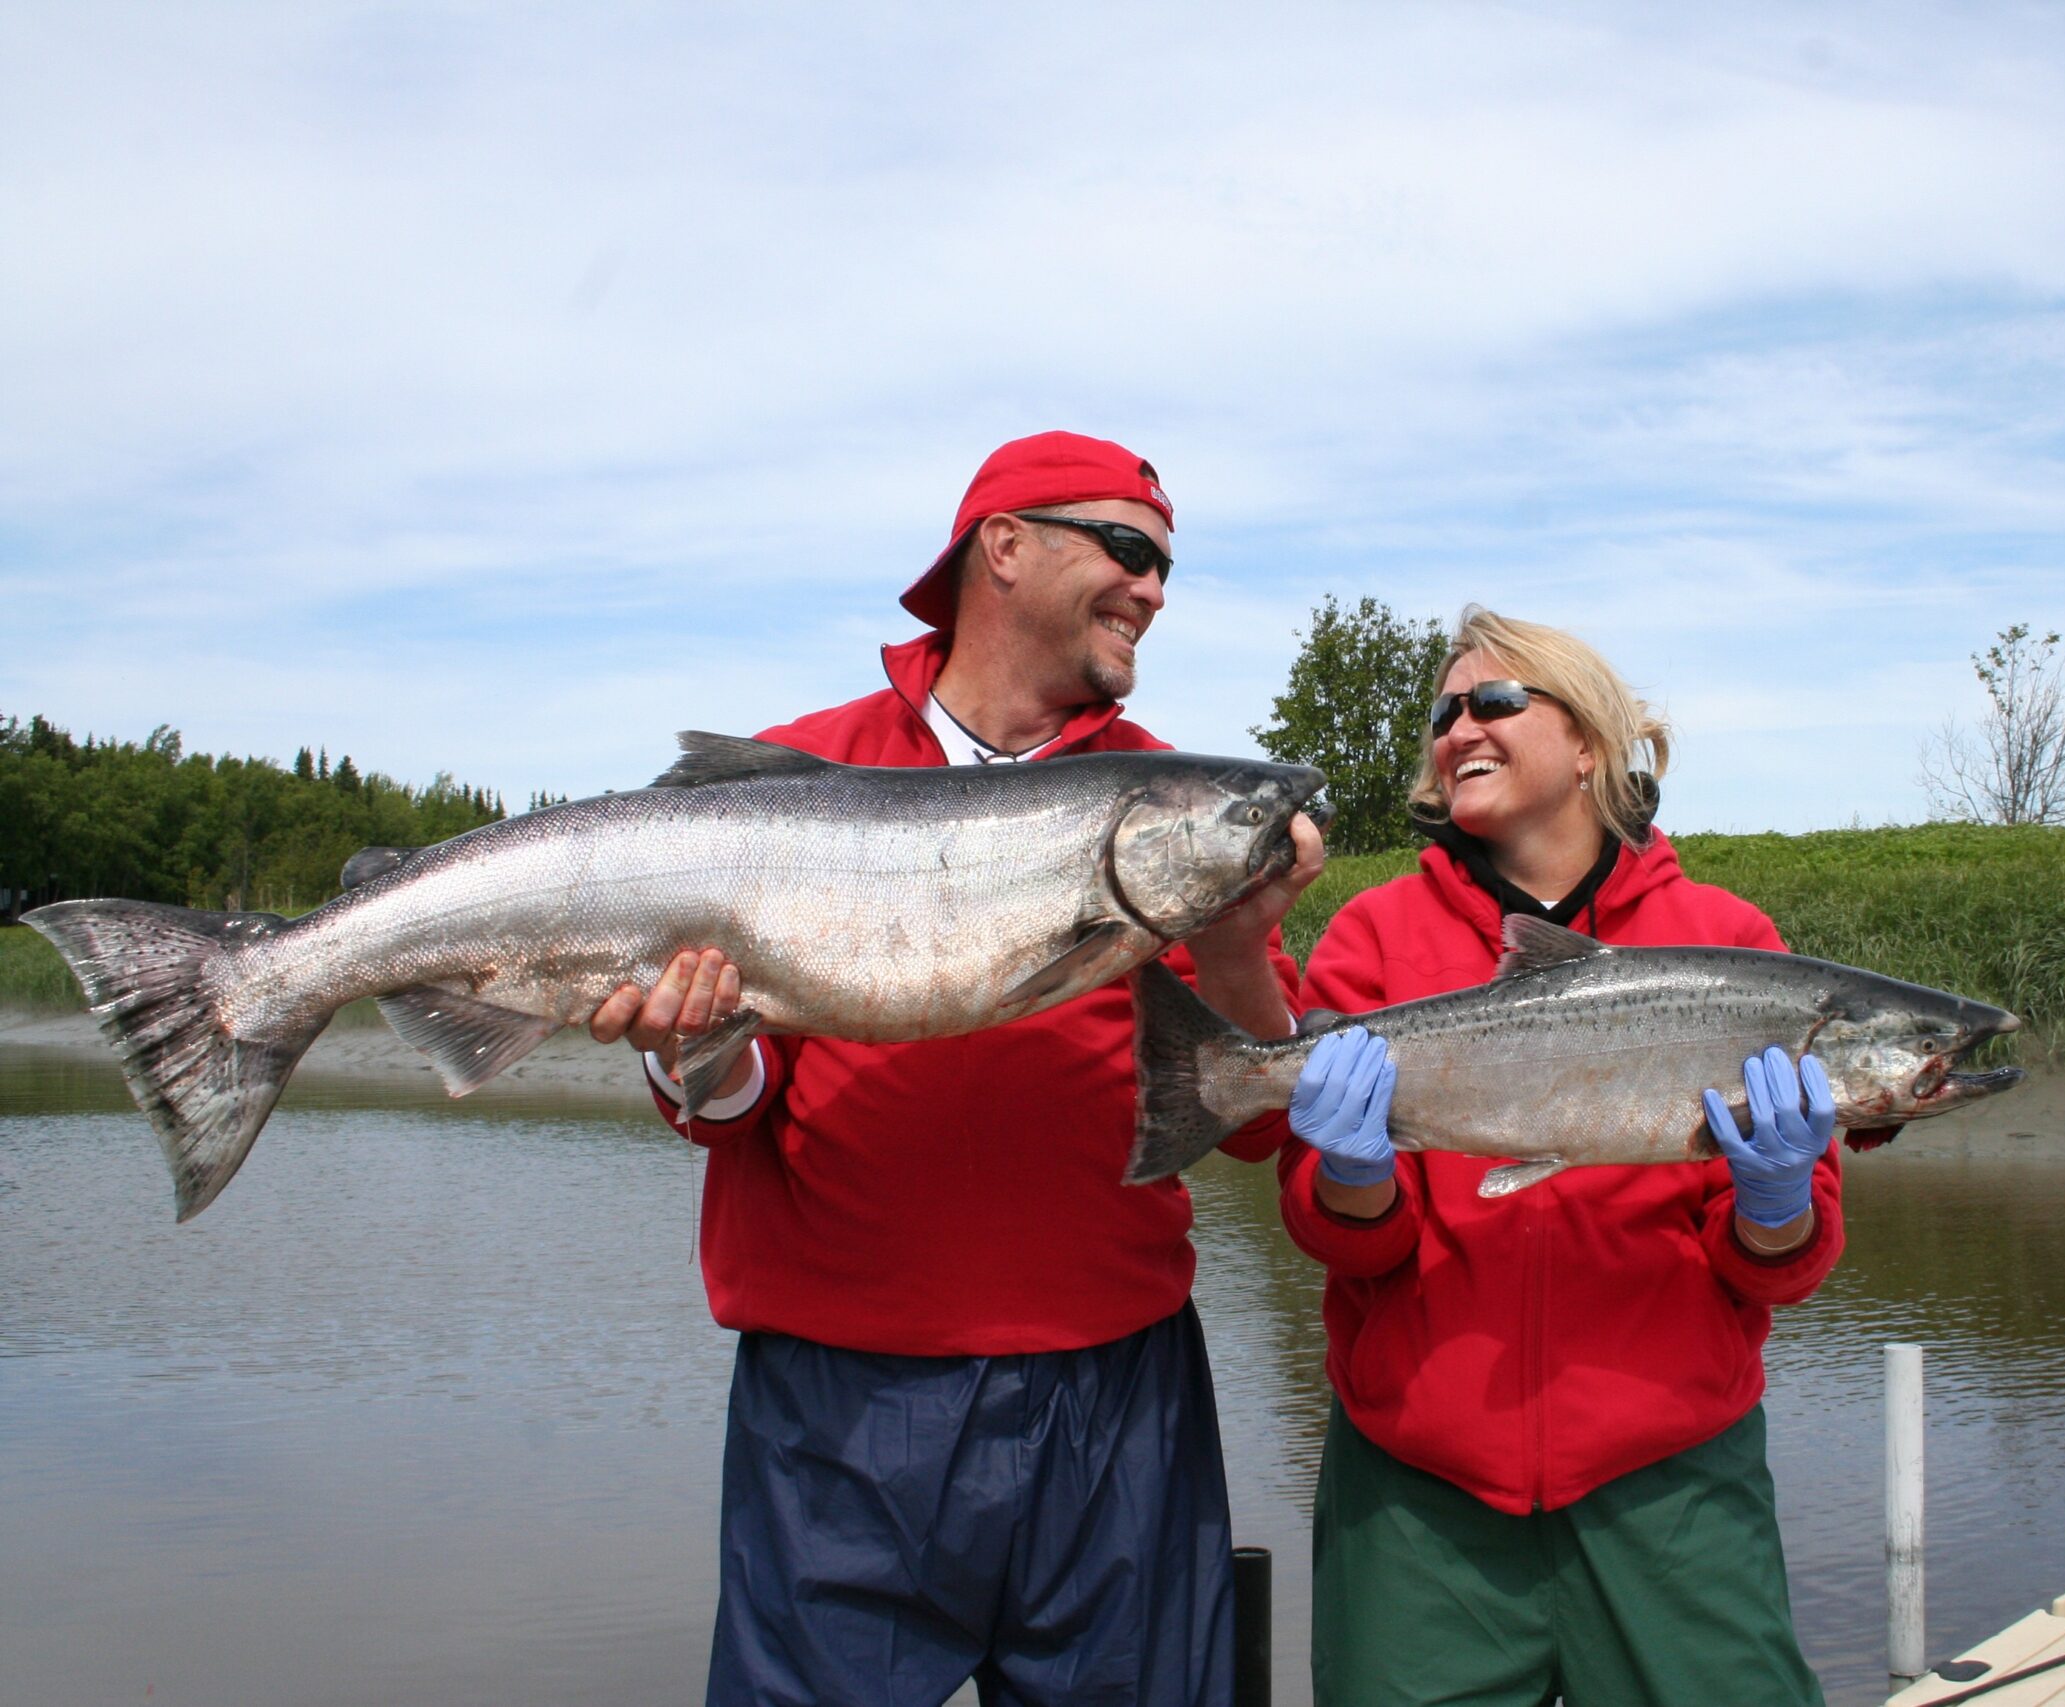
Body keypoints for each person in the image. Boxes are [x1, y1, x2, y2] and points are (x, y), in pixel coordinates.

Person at [587, 432, 1321, 1707]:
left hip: (1116, 1392)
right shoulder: (794, 776)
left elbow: (1256, 1128)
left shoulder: (1172, 806)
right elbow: (734, 1111)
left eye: (1165, 567)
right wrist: (691, 1044)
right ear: (1006, 546)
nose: (1153, 589)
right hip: (838, 1408)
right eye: (1128, 549)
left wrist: (1237, 944)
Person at [1275, 606, 1839, 1706]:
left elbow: (1778, 1266)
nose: (1458, 730)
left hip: (1674, 1491)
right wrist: (1351, 1174)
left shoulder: (1728, 941)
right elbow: (1341, 1239)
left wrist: (1775, 1199)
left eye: (1492, 701)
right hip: (1417, 1501)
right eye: (1444, 714)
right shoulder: (1375, 935)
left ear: (1586, 740)